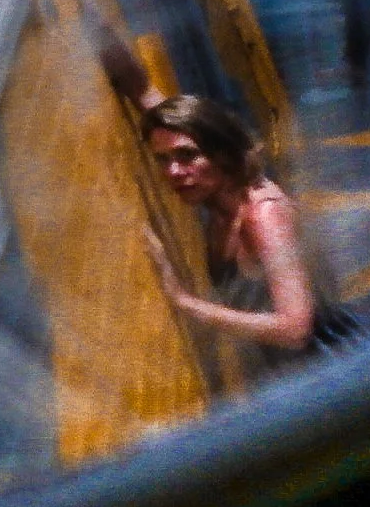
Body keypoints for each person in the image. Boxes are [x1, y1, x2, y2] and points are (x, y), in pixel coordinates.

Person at [137, 93, 356, 362]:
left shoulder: (264, 217)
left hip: (338, 366)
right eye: (162, 159)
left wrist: (185, 302)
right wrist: (137, 87)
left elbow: (295, 329)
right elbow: (176, 120)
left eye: (187, 156)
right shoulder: (222, 206)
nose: (173, 171)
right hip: (302, 369)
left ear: (223, 154)